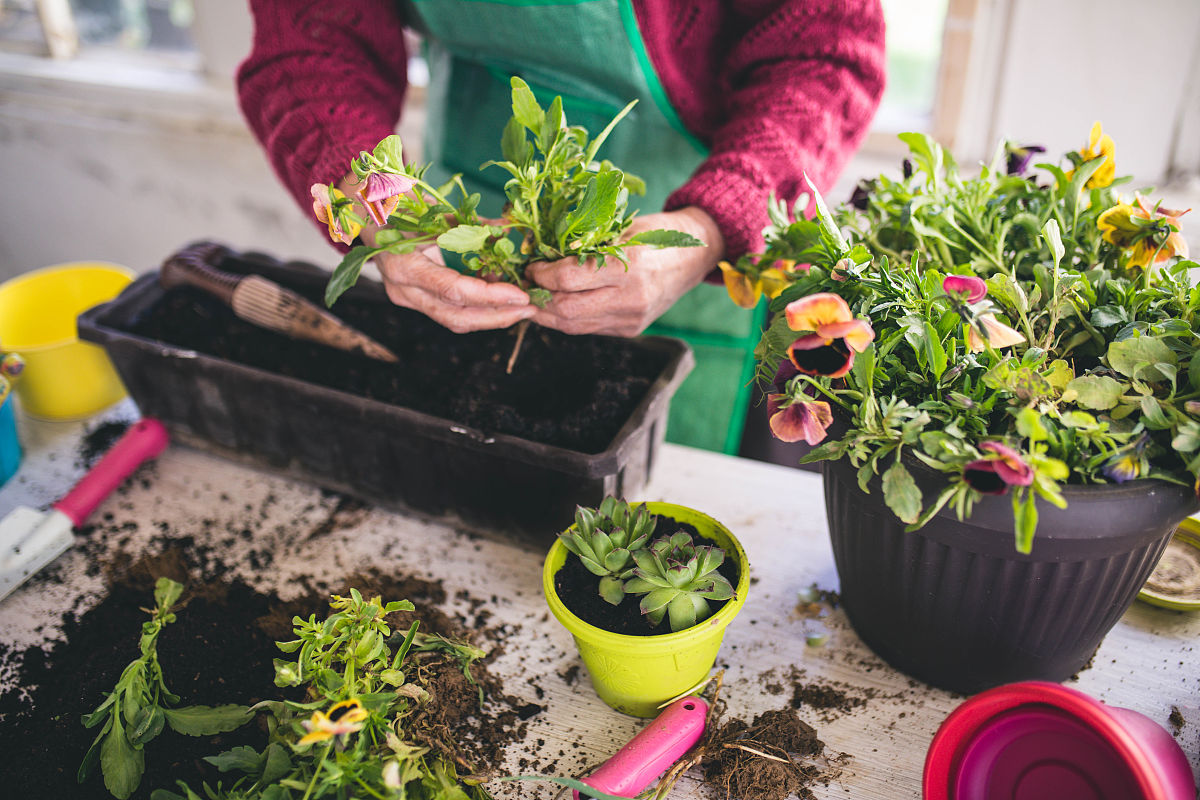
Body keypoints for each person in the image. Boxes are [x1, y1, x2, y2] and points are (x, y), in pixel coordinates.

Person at [237, 0, 886, 458]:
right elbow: (308, 42)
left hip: (686, 222)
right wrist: (379, 211)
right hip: (460, 195)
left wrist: (709, 229)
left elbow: (827, 53)